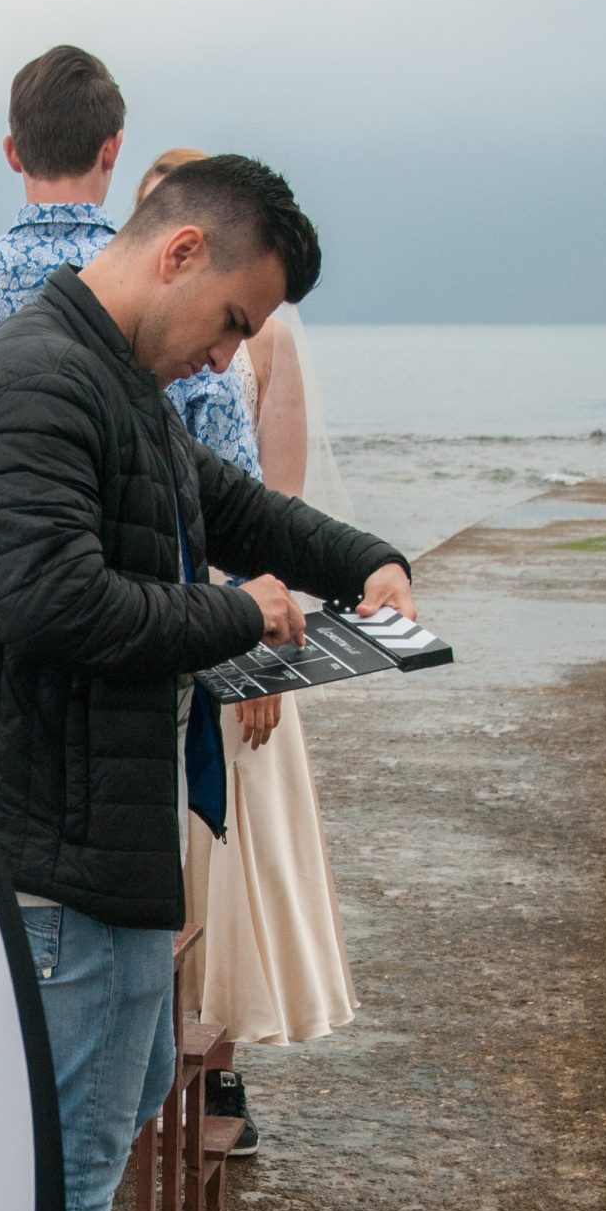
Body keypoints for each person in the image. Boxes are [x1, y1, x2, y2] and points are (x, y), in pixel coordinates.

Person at [0, 155, 412, 1211]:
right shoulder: (37, 380)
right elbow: (49, 602)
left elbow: (229, 509)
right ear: (183, 252)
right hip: (50, 842)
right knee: (75, 1160)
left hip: (107, 820)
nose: (233, 353)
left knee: (121, 1103)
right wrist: (240, 617)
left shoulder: (115, 377)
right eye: (237, 320)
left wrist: (361, 559)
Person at [0, 44, 260, 647]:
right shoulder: (172, 290)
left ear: (13, 152)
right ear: (113, 148)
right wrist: (243, 611)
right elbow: (229, 472)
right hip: (143, 627)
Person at [137, 150, 363, 1157]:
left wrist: (255, 663)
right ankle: (153, 1053)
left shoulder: (258, 335)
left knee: (227, 859)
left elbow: (271, 503)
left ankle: (217, 1053)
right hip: (167, 624)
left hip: (240, 625)